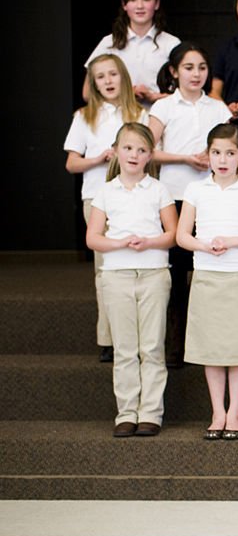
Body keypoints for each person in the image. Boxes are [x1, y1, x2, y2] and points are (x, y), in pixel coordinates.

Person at [177, 124, 238, 440]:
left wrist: (232, 241)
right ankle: (217, 410)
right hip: (207, 275)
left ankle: (235, 412)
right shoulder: (196, 190)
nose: (222, 159)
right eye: (216, 152)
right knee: (213, 348)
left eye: (230, 153)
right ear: (207, 154)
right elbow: (181, 235)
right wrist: (204, 245)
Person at [85, 123, 177, 437]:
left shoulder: (158, 189)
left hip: (152, 273)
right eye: (128, 148)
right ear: (116, 151)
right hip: (116, 275)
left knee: (151, 346)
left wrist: (148, 242)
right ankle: (126, 412)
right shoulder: (105, 191)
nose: (134, 155)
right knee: (125, 348)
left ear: (150, 154)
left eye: (141, 150)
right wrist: (121, 243)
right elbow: (93, 238)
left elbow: (172, 234)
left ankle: (151, 412)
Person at [149, 43, 233, 363]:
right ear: (174, 71)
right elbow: (149, 149)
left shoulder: (218, 107)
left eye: (201, 68)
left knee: (207, 270)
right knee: (177, 272)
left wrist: (212, 160)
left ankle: (208, 341)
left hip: (211, 197)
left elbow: (229, 147)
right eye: (188, 68)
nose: (196, 74)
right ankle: (176, 342)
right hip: (175, 196)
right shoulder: (164, 107)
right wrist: (184, 157)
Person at [65, 54, 146, 361]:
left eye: (113, 74)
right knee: (105, 272)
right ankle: (109, 338)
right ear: (94, 83)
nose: (109, 81)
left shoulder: (139, 113)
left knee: (137, 268)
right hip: (98, 199)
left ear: (123, 77)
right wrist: (98, 158)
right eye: (101, 77)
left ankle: (137, 335)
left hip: (135, 200)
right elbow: (71, 163)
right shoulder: (84, 117)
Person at [83, 0, 180, 107]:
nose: (139, 6)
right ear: (124, 5)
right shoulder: (109, 43)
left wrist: (155, 97)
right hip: (120, 122)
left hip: (161, 120)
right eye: (133, 0)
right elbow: (87, 93)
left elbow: (185, 95)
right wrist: (125, 94)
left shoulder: (171, 43)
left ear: (156, 4)